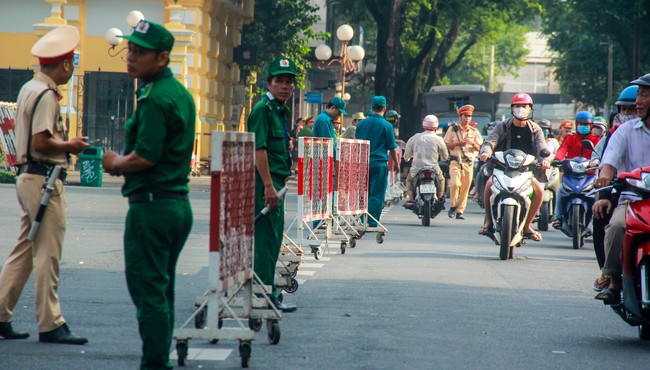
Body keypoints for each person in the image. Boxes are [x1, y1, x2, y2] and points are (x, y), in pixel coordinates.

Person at [100, 21, 195, 368]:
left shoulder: (155, 98)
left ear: (162, 57)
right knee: (161, 288)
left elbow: (146, 157)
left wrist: (115, 162)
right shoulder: (179, 93)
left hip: (153, 206)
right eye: (130, 50)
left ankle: (155, 363)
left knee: (148, 291)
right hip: (175, 205)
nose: (130, 57)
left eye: (140, 52)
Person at [0, 25, 89, 344]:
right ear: (64, 63)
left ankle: (0, 314)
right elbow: (42, 141)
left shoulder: (29, 87)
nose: (74, 66)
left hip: (29, 177)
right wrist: (71, 145)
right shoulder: (47, 95)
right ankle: (50, 323)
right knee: (47, 254)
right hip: (43, 180)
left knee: (25, 248)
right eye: (74, 60)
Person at [242, 56, 298, 313]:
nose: (285, 86)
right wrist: (267, 186)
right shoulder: (263, 110)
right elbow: (259, 149)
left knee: (273, 240)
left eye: (289, 81)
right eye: (280, 81)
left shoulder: (279, 110)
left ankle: (268, 293)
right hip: (265, 182)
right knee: (265, 242)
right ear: (269, 83)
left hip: (276, 181)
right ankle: (265, 295)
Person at [594, 73, 650, 304]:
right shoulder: (624, 133)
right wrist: (605, 179)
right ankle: (613, 278)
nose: (637, 101)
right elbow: (608, 166)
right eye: (638, 94)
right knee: (616, 226)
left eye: (644, 95)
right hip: (632, 201)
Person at [478, 93, 550, 242]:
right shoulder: (502, 126)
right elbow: (490, 141)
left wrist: (544, 160)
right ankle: (489, 222)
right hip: (502, 168)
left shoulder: (535, 129)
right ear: (511, 109)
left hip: (526, 171)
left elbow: (541, 147)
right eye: (517, 106)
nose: (521, 109)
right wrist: (485, 152)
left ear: (530, 109)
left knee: (539, 191)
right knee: (489, 185)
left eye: (524, 106)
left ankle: (527, 226)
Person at [590, 85, 639, 291]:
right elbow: (607, 166)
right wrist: (603, 192)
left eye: (632, 109)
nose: (627, 114)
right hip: (626, 195)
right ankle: (610, 274)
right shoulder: (619, 133)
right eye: (623, 110)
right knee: (605, 216)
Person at [551, 111, 601, 229]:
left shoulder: (596, 140)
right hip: (571, 174)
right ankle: (558, 217)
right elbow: (563, 149)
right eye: (580, 124)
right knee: (561, 190)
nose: (583, 126)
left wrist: (598, 162)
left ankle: (597, 220)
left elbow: (599, 153)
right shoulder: (571, 138)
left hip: (589, 174)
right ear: (576, 124)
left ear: (591, 126)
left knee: (597, 194)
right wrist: (558, 159)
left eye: (586, 124)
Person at [355, 96, 400, 227]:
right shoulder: (387, 126)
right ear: (385, 109)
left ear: (372, 107)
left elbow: (357, 142)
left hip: (362, 164)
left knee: (363, 192)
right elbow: (392, 147)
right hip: (379, 164)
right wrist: (396, 164)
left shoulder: (361, 123)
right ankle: (372, 221)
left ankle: (362, 217)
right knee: (377, 194)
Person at [443, 104, 483, 220]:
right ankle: (453, 205)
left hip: (468, 162)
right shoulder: (453, 129)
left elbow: (480, 147)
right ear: (460, 117)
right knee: (455, 184)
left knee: (465, 188)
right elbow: (446, 144)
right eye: (465, 116)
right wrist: (458, 144)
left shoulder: (474, 131)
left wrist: (471, 142)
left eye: (470, 116)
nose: (468, 118)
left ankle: (460, 211)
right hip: (455, 161)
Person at [402, 115, 448, 209]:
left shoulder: (415, 137)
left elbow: (407, 153)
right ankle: (440, 200)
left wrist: (407, 158)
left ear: (424, 124)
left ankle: (411, 200)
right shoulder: (438, 139)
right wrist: (444, 158)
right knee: (441, 180)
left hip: (417, 168)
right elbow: (445, 156)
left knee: (409, 180)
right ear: (436, 126)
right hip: (434, 168)